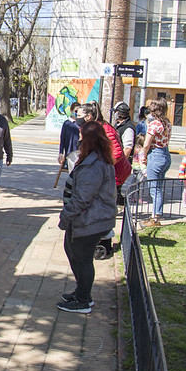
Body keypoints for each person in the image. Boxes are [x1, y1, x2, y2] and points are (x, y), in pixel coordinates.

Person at [57, 121, 117, 314]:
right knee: (73, 252)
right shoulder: (95, 158)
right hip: (89, 219)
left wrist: (65, 217)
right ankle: (82, 292)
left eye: (82, 137)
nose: (79, 140)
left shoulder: (94, 164)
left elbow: (82, 198)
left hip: (90, 221)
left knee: (81, 258)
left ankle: (83, 300)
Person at [81, 102, 131, 207]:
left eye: (79, 116)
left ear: (89, 117)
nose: (78, 119)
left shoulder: (105, 129)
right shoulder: (96, 128)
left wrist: (102, 167)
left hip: (116, 173)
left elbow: (117, 153)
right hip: (110, 172)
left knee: (109, 202)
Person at [140, 98, 172, 227]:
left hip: (156, 154)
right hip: (165, 154)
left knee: (154, 188)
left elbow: (147, 143)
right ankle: (157, 213)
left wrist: (144, 156)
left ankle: (155, 216)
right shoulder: (167, 123)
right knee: (159, 186)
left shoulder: (154, 124)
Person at [58, 101, 81, 172]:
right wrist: (61, 152)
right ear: (71, 111)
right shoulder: (67, 124)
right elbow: (62, 139)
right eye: (76, 111)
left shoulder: (82, 124)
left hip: (80, 152)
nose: (77, 113)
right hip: (70, 152)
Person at [130, 134, 148, 204]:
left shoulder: (135, 150)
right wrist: (144, 170)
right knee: (140, 185)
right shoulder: (141, 152)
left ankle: (132, 197)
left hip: (134, 168)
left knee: (133, 183)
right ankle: (139, 199)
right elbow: (141, 162)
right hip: (140, 169)